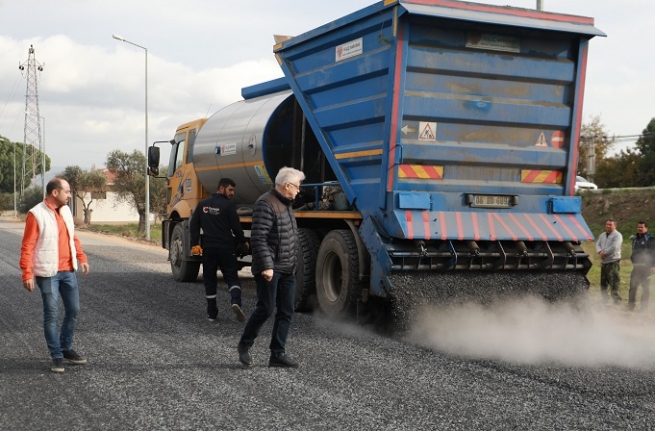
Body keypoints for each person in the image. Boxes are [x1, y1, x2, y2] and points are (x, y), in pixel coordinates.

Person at [19, 178, 90, 373]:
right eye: (67, 191)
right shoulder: (36, 214)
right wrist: (27, 272)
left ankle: (65, 347)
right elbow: (27, 246)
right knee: (51, 313)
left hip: (68, 270)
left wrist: (81, 257)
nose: (70, 195)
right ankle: (56, 355)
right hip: (48, 273)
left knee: (73, 310)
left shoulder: (66, 211)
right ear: (55, 193)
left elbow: (72, 236)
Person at [237, 166, 305, 368]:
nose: (299, 190)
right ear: (287, 185)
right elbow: (259, 237)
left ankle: (277, 354)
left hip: (287, 268)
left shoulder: (286, 204)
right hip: (271, 268)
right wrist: (267, 266)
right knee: (266, 308)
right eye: (297, 186)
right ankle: (244, 345)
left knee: (287, 310)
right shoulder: (266, 203)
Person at [190, 178, 249, 322]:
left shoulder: (203, 205)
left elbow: (194, 225)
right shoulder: (229, 206)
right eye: (230, 190)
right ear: (221, 189)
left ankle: (212, 313)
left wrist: (194, 244)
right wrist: (243, 242)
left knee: (209, 280)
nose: (232, 193)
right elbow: (236, 227)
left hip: (209, 248)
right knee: (232, 277)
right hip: (226, 248)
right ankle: (235, 301)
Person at [627, 221, 655, 311]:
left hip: (646, 267)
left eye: (642, 227)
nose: (640, 229)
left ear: (646, 228)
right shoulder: (635, 238)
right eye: (638, 227)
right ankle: (630, 306)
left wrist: (653, 265)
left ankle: (644, 308)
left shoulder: (650, 239)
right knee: (632, 286)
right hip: (636, 266)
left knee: (645, 287)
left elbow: (653, 253)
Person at [595, 219, 623, 305]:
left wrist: (605, 253)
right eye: (607, 224)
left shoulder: (617, 235)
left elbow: (614, 247)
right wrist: (599, 252)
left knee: (614, 282)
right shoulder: (602, 235)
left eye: (610, 225)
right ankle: (604, 300)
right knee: (603, 283)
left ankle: (616, 300)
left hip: (613, 261)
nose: (608, 226)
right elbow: (597, 244)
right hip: (604, 262)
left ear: (615, 226)